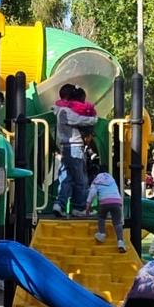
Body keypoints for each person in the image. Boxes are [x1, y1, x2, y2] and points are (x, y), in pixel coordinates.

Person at [52, 85, 96, 217]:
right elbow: (79, 120)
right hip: (74, 147)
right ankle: (79, 207)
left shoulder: (59, 109)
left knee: (67, 178)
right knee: (81, 179)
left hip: (65, 148)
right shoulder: (65, 111)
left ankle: (59, 204)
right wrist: (94, 119)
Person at [85, 160, 126, 252]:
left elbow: (92, 194)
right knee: (117, 223)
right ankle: (120, 242)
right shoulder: (111, 179)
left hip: (104, 202)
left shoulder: (96, 180)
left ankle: (102, 233)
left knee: (101, 217)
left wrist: (88, 206)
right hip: (117, 201)